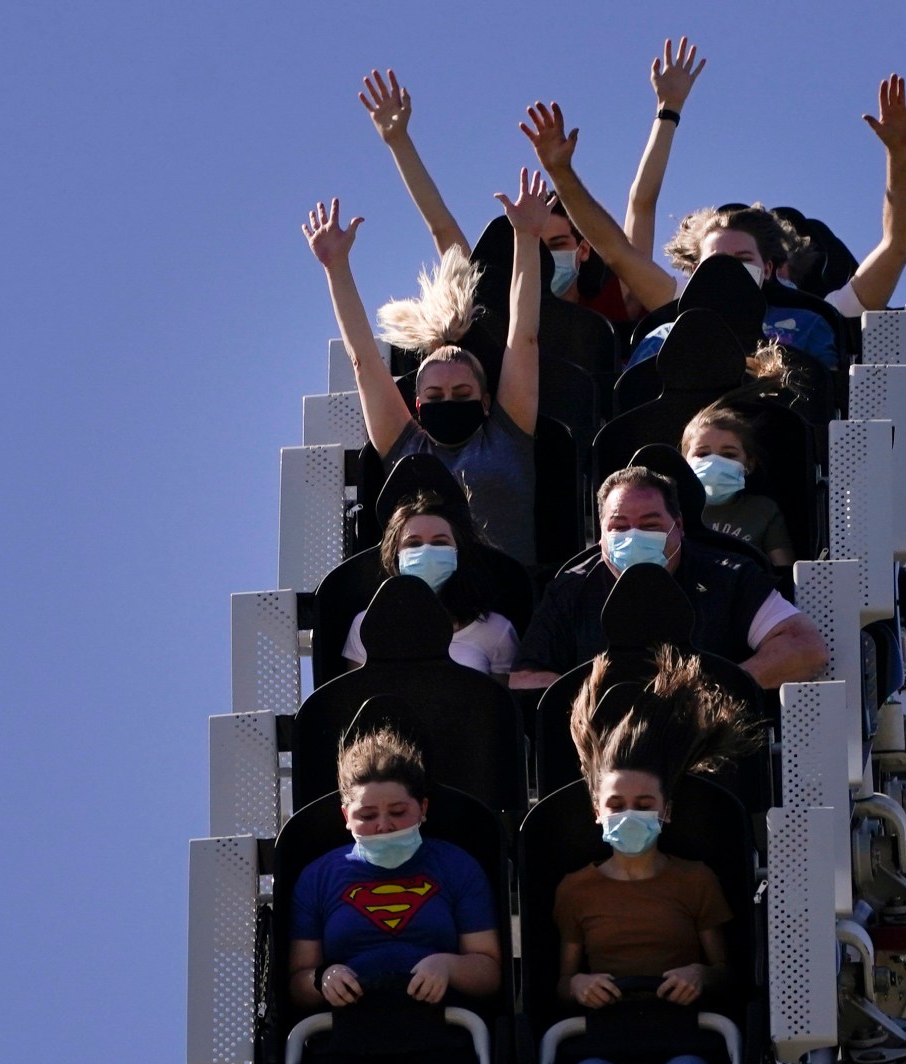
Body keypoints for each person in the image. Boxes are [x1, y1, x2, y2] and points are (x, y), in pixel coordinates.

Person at [520, 75, 906, 368]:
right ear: (693, 272)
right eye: (715, 262)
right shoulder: (680, 302)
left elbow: (897, 246)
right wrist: (561, 173)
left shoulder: (825, 313)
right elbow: (614, 250)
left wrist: (898, 152)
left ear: (767, 267)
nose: (728, 268)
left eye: (741, 257)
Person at [555, 650, 759, 1064]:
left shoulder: (694, 880)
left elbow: (725, 973)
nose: (629, 815)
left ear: (666, 812)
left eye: (643, 806)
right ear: (597, 812)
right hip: (605, 1034)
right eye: (617, 806)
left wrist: (698, 975)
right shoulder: (576, 889)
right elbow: (562, 981)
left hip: (679, 1032)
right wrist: (579, 985)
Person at [360, 43, 705, 325]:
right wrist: (397, 140)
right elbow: (442, 229)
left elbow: (641, 203)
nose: (548, 259)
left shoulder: (624, 295)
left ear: (583, 250)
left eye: (556, 243)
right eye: (537, 248)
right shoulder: (500, 309)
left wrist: (668, 109)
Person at [287, 728, 503, 1064]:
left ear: (422, 809)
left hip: (437, 1024)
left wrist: (448, 966)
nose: (383, 825)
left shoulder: (455, 865)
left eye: (397, 812)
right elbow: (298, 981)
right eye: (368, 815)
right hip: (350, 1028)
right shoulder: (318, 877)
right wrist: (323, 980)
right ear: (346, 816)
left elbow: (488, 970)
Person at [302, 178, 551, 562]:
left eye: (461, 395)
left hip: (504, 605)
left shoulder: (508, 434)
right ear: (418, 405)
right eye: (435, 397)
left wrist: (527, 237)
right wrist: (335, 268)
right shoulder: (407, 449)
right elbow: (364, 361)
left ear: (486, 401)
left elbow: (524, 338)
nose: (448, 402)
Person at [509, 467, 828, 690]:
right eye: (619, 527)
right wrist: (603, 697)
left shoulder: (730, 576)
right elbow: (525, 678)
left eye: (649, 525)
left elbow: (804, 647)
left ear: (678, 525)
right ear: (600, 536)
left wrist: (713, 690)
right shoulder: (571, 588)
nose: (633, 535)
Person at [342, 493, 520, 679]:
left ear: (459, 552)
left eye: (439, 542)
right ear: (395, 555)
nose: (426, 551)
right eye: (414, 544)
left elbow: (503, 704)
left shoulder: (496, 630)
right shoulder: (367, 624)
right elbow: (357, 700)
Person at [682, 405, 794, 565]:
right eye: (703, 454)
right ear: (685, 462)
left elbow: (785, 573)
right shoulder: (671, 509)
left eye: (728, 455)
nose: (715, 462)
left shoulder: (763, 511)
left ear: (748, 465)